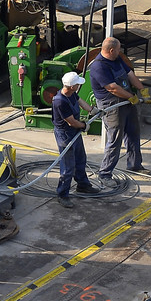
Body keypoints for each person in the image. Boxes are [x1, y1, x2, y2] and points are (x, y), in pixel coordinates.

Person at [89, 37, 151, 187]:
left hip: (126, 100)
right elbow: (112, 88)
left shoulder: (117, 59)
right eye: (118, 49)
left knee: (133, 132)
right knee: (115, 139)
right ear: (111, 50)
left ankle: (135, 165)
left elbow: (130, 75)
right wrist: (132, 97)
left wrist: (143, 90)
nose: (119, 52)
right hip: (112, 105)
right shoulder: (98, 66)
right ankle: (105, 174)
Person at [52, 72, 101, 208]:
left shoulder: (71, 93)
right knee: (68, 166)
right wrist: (85, 126)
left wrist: (93, 110)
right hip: (65, 134)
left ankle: (83, 185)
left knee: (80, 159)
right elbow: (71, 122)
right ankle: (62, 194)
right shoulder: (60, 101)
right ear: (72, 86)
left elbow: (80, 101)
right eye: (78, 84)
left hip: (74, 132)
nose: (79, 85)